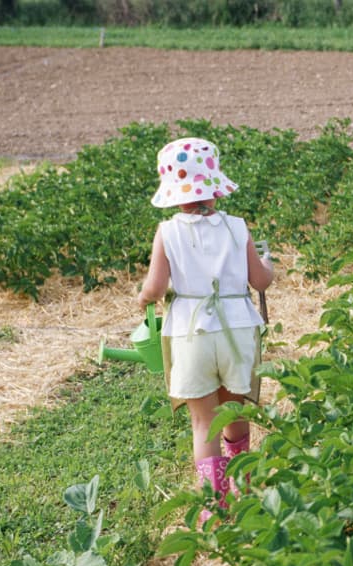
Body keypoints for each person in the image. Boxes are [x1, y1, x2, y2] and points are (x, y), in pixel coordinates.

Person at [137, 137, 274, 521]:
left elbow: (155, 288)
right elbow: (260, 281)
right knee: (234, 410)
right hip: (237, 328)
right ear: (215, 187)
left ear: (173, 194)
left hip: (191, 333)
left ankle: (214, 507)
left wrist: (142, 300)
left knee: (204, 422)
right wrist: (269, 263)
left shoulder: (168, 232)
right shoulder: (237, 227)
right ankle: (243, 486)